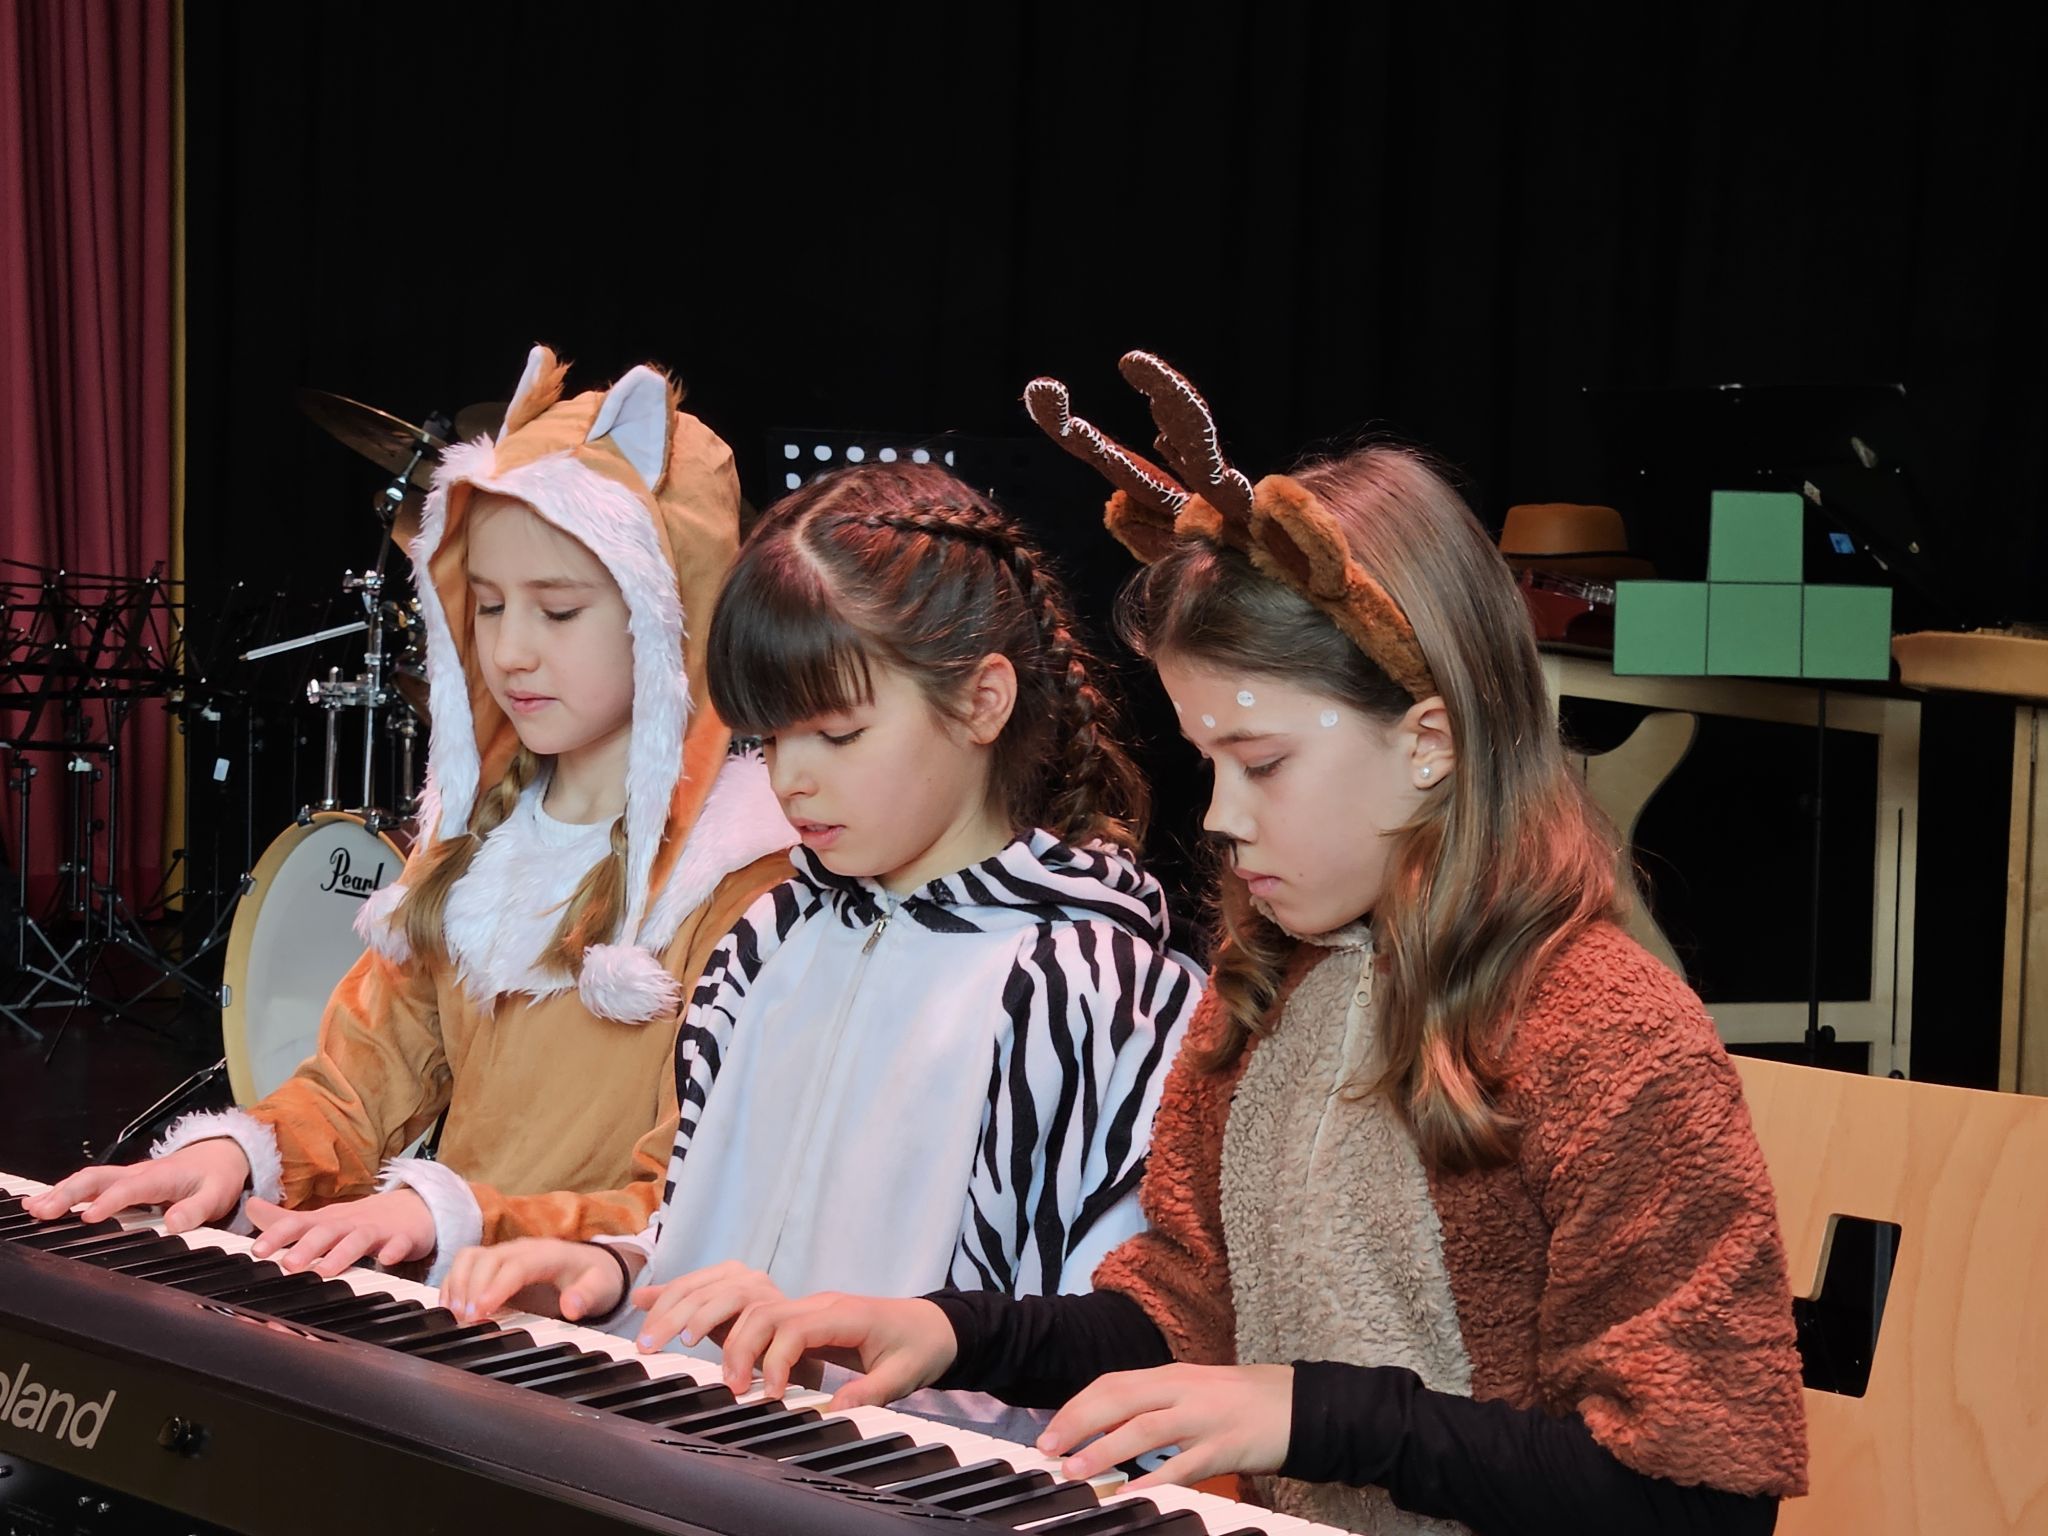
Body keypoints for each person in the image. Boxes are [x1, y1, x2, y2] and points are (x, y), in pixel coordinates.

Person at [708, 354, 1810, 1535]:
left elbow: (1696, 1497)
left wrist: (1308, 1412)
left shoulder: (1612, 1037)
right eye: (1207, 762)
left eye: (1264, 762)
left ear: (1428, 741)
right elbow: (1178, 1316)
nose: (1222, 816)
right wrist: (953, 1329)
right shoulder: (1270, 997)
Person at [438, 464, 1201, 1438]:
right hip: (693, 1464)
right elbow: (716, 1251)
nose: (791, 779)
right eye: (769, 738)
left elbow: (1139, 1345)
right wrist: (616, 1272)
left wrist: (899, 1347)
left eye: (836, 733)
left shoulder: (1100, 992)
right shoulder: (763, 941)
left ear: (981, 702)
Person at [26, 347, 795, 1282]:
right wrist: (233, 1153)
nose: (510, 651)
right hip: (461, 1316)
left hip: (626, 1347)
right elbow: (357, 1086)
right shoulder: (476, 848)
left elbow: (695, 1200)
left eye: (558, 612)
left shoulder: (744, 879)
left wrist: (447, 1215)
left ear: (671, 613)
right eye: (488, 606)